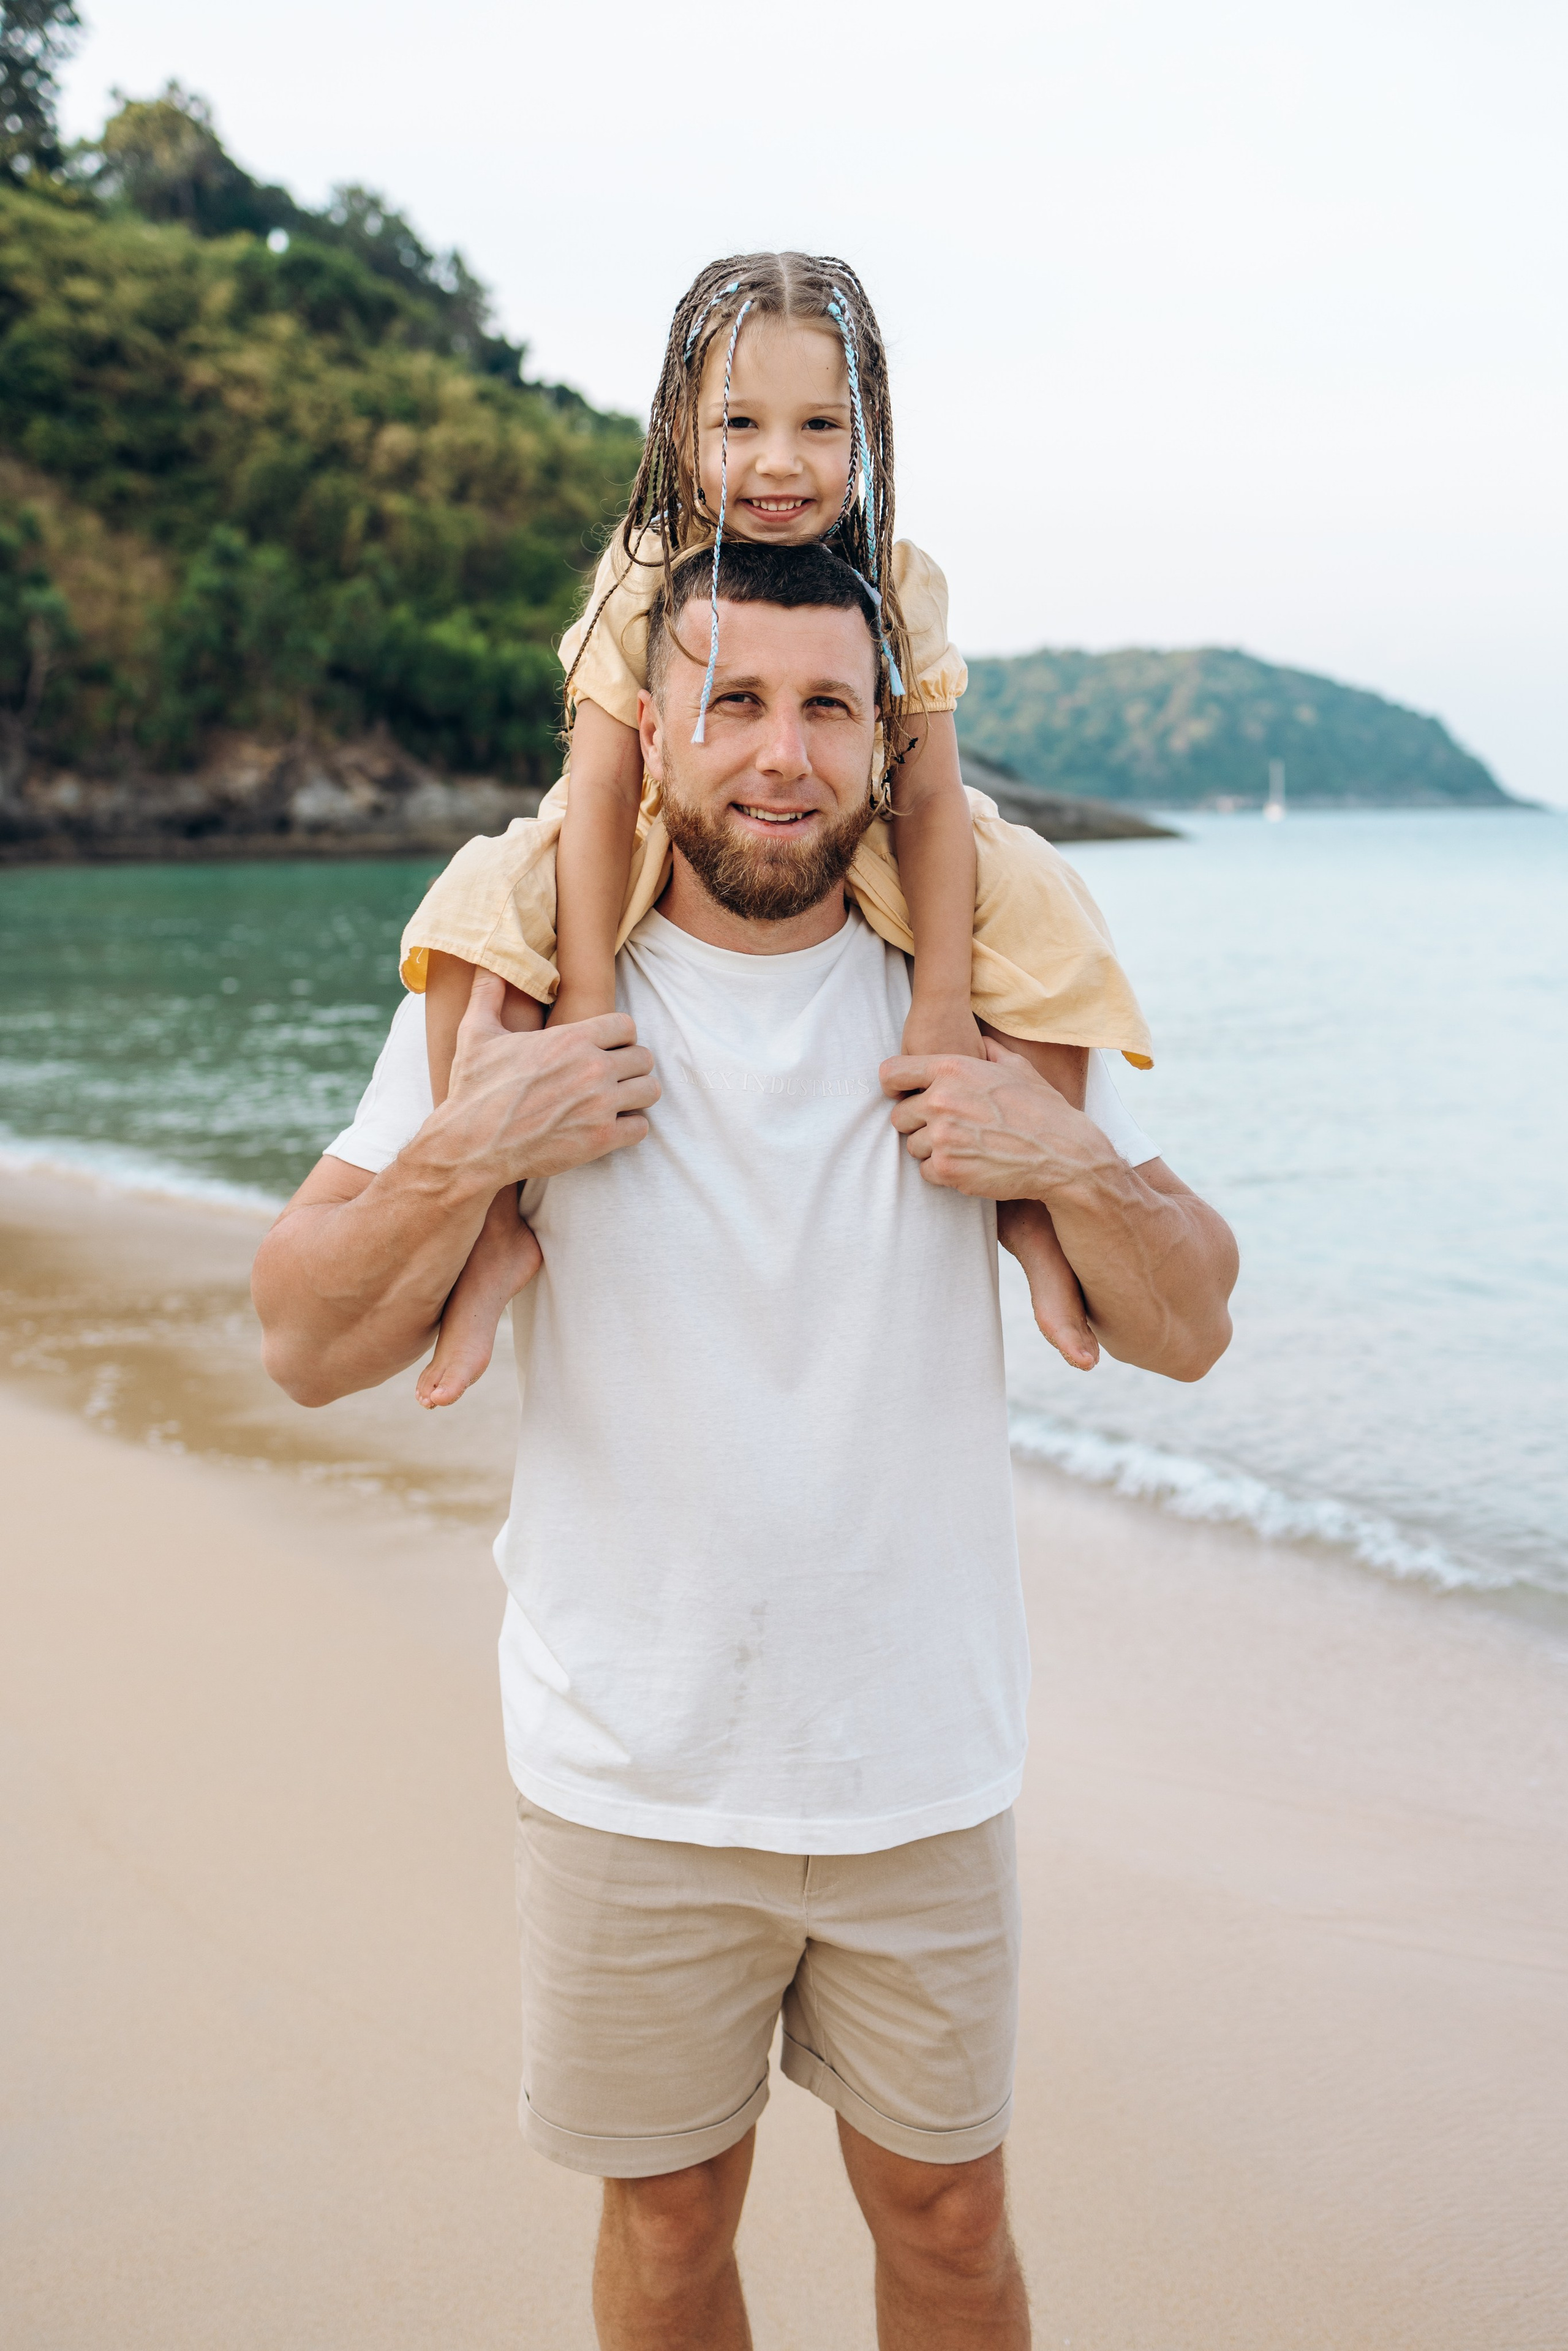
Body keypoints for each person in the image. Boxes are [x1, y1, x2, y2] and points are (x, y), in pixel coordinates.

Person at [252, 542, 1237, 2351]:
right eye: (734, 701)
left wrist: (1069, 1158)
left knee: (948, 2218)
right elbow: (305, 1333)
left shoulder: (979, 997)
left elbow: (1190, 1324)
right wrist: (479, 1147)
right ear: (653, 726)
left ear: (889, 745)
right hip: (630, 1755)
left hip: (917, 1758)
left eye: (827, 708)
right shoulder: (537, 986)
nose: (780, 754)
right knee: (672, 2217)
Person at [396, 251, 1154, 1409]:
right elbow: (600, 790)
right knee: (487, 899)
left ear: (865, 440)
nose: (779, 463)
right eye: (738, 423)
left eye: (819, 426)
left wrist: (944, 996)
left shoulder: (893, 582)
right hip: (661, 836)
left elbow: (936, 797)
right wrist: (590, 984)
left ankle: (1031, 1216)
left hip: (874, 841)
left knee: (1038, 897)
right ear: (681, 430)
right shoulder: (646, 571)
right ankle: (491, 1225)